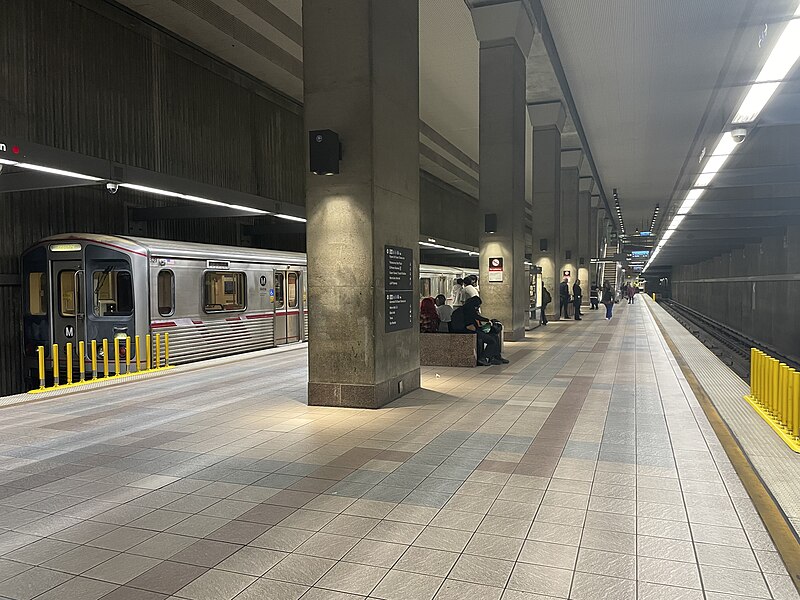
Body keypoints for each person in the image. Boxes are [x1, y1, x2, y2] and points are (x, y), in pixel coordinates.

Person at [451, 296, 509, 365]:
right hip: (468, 332)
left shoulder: (467, 310)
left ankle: (496, 357)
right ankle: (483, 357)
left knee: (495, 336)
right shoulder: (465, 312)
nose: (477, 308)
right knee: (492, 341)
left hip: (473, 330)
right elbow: (467, 325)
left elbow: (476, 318)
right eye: (477, 306)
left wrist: (486, 322)